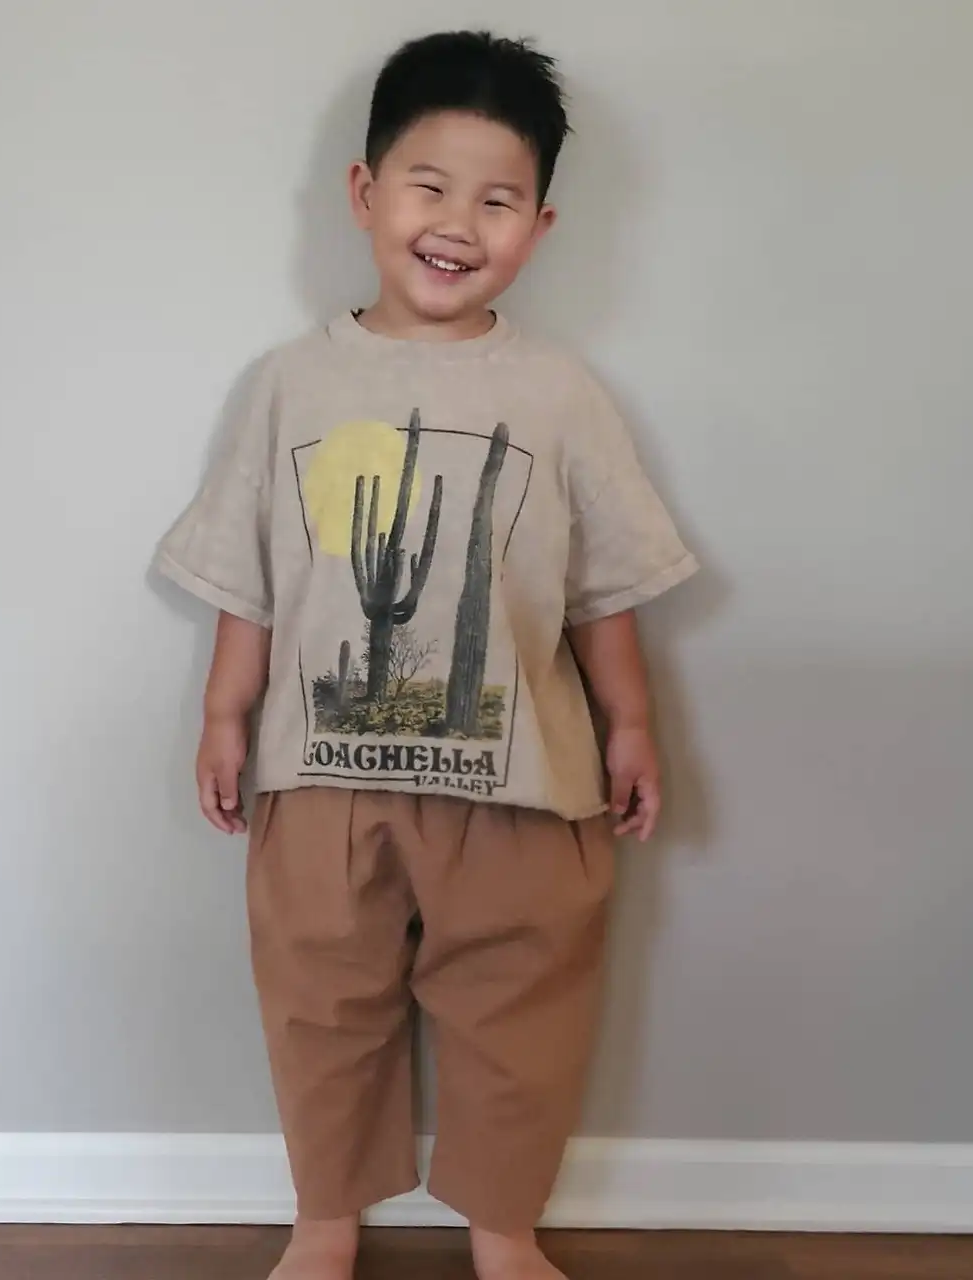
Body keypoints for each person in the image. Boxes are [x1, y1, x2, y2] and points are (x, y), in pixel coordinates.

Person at [155, 29, 697, 1280]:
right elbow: (250, 573)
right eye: (429, 185)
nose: (457, 223)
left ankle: (502, 1227)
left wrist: (628, 722)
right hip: (319, 781)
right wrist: (225, 712)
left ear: (539, 227)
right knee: (318, 1007)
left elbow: (600, 584)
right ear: (364, 192)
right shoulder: (288, 384)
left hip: (520, 787)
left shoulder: (559, 394)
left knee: (523, 1017)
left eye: (496, 200)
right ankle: (324, 1220)